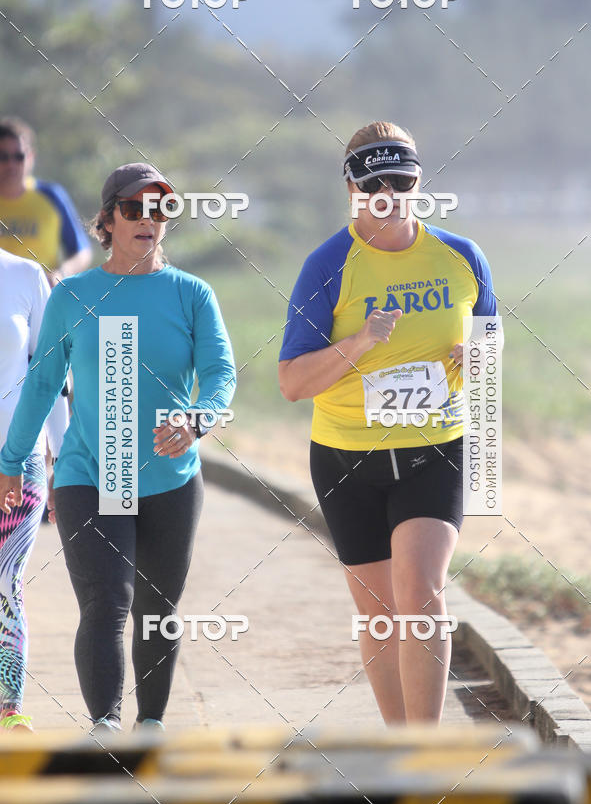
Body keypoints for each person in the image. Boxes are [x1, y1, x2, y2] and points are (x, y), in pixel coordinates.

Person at [0, 163, 236, 733]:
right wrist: (12, 465)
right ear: (106, 221)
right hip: (88, 472)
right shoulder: (73, 295)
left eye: (161, 209)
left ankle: (149, 724)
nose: (149, 220)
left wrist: (198, 418)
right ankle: (104, 725)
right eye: (134, 209)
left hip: (171, 476)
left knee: (158, 611)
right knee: (106, 602)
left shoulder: (191, 294)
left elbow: (222, 372)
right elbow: (40, 383)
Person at [278, 121, 498, 725]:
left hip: (436, 451)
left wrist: (477, 359)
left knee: (421, 593)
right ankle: (398, 751)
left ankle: (425, 754)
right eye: (375, 182)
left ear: (419, 180)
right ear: (352, 188)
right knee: (378, 613)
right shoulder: (328, 265)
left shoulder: (461, 256)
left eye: (401, 180)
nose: (389, 194)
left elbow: (490, 347)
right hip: (348, 458)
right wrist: (360, 343)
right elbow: (293, 383)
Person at [0, 250, 69, 731]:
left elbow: (51, 376)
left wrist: (62, 462)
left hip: (19, 459)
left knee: (6, 581)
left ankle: (9, 707)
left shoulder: (24, 276)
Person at [0, 117, 91, 286]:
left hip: (42, 301)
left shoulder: (52, 196)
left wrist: (60, 274)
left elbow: (82, 252)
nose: (11, 164)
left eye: (18, 156)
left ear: (31, 156)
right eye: (3, 157)